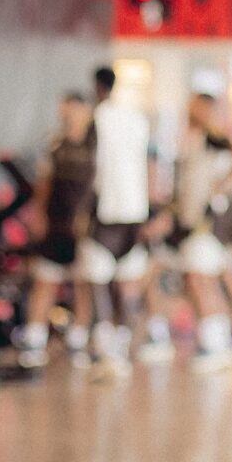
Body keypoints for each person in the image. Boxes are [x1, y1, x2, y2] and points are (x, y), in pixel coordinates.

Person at [174, 91, 232, 372]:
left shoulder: (214, 139)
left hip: (208, 220)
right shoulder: (196, 139)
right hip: (199, 220)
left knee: (202, 279)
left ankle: (217, 342)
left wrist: (217, 189)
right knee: (220, 276)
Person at [14, 92, 96, 369]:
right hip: (56, 223)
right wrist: (38, 214)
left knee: (84, 283)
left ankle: (78, 338)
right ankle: (35, 337)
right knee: (45, 279)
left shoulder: (95, 145)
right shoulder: (55, 144)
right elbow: (44, 183)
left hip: (85, 226)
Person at [81, 65, 151, 380]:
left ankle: (108, 348)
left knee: (98, 283)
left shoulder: (97, 119)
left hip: (106, 212)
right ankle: (124, 344)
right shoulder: (137, 119)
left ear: (97, 86)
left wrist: (82, 212)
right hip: (135, 212)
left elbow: (90, 168)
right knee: (126, 283)